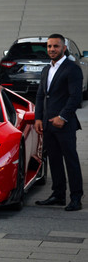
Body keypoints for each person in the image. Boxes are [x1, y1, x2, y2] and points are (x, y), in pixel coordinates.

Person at [34, 34, 84, 212]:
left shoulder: (72, 69)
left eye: (55, 46)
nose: (51, 49)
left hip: (65, 124)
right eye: (49, 46)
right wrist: (38, 118)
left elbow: (75, 97)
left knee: (71, 161)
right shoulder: (46, 69)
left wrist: (62, 117)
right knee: (54, 160)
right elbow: (41, 95)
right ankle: (58, 195)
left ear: (64, 48)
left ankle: (76, 197)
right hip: (47, 125)